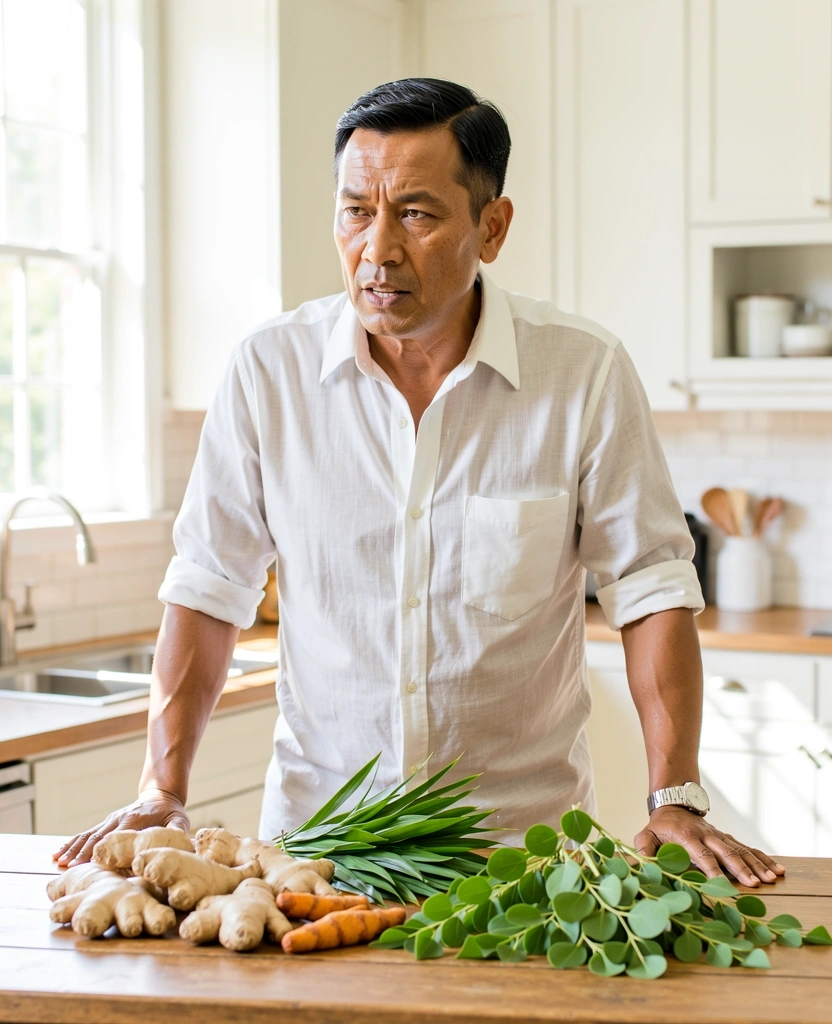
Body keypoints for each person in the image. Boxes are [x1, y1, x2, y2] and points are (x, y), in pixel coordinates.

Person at [56, 78, 783, 888]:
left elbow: (650, 589)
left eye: (416, 213)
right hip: (314, 859)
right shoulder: (268, 372)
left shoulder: (582, 373)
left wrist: (675, 795)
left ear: (492, 227)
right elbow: (208, 586)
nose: (378, 250)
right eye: (356, 211)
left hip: (520, 865)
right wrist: (163, 787)